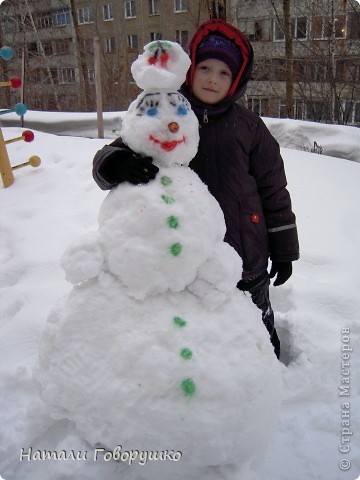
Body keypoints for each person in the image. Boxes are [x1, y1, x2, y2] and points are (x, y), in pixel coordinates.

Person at [92, 18, 300, 360]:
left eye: (224, 73)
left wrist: (284, 248)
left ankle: (270, 368)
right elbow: (115, 150)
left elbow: (274, 190)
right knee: (201, 330)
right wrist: (115, 163)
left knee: (257, 323)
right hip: (185, 254)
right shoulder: (168, 113)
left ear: (237, 80)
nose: (212, 78)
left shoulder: (249, 128)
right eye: (205, 67)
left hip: (245, 252)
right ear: (190, 69)